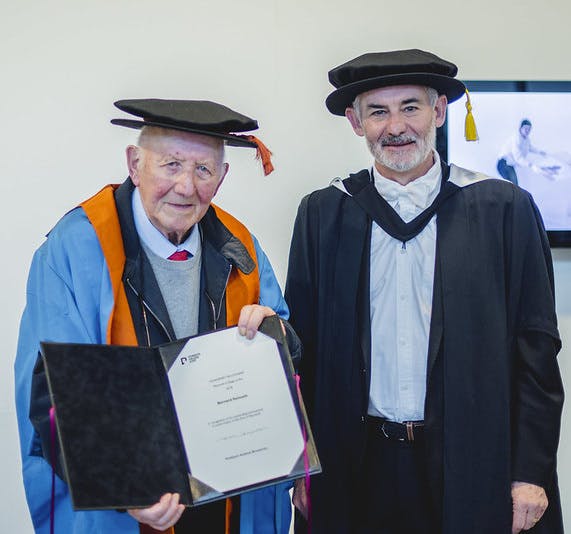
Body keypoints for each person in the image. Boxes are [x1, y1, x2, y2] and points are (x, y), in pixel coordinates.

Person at [285, 49, 563, 534]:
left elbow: (536, 352)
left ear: (438, 111)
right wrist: (301, 467)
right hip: (358, 464)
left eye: (410, 107)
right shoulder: (324, 214)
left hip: (472, 461)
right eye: (378, 111)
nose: (396, 126)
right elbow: (301, 358)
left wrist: (530, 472)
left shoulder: (502, 210)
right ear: (355, 122)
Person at [15, 98, 300, 534]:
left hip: (225, 493)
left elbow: (285, 348)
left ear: (222, 178)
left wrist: (274, 337)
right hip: (130, 506)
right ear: (134, 163)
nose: (186, 186)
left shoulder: (240, 248)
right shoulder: (74, 250)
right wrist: (122, 486)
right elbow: (49, 389)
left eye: (203, 170)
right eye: (170, 164)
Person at [497, 119, 555, 185]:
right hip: (503, 164)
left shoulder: (526, 139)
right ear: (520, 128)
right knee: (513, 186)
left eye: (529, 129)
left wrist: (541, 152)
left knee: (514, 186)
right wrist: (531, 165)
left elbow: (530, 148)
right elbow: (518, 158)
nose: (527, 131)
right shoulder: (516, 139)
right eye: (526, 128)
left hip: (509, 165)